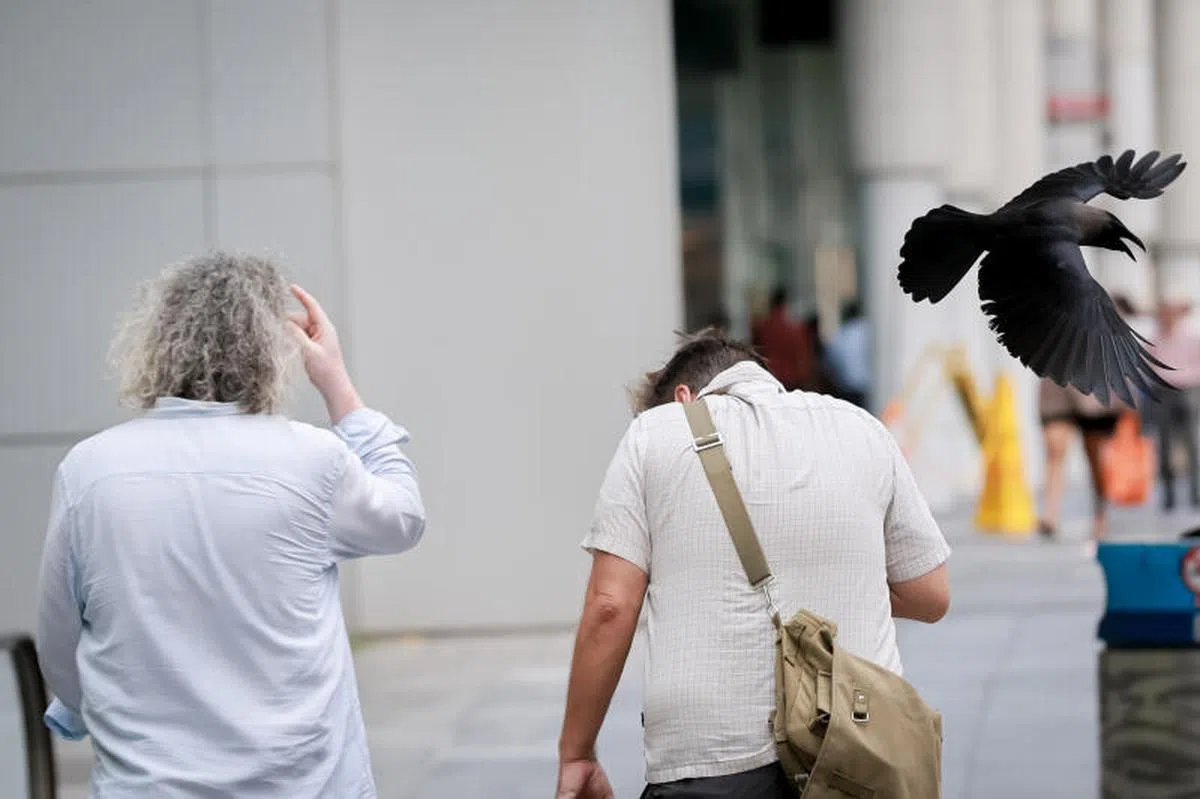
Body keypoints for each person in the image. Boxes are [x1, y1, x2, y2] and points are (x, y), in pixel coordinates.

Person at [35, 253, 426, 797]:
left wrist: (78, 709)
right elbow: (404, 518)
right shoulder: (311, 460)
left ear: (152, 343)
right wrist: (338, 386)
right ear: (273, 351)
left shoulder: (90, 469)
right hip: (300, 784)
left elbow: (58, 636)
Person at [555, 328, 951, 799]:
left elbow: (609, 606)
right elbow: (930, 594)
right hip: (859, 755)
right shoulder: (861, 428)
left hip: (711, 763)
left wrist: (576, 753)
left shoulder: (654, 433)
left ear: (683, 398)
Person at [1149, 300, 1200, 511]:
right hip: (1163, 393)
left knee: (1192, 443)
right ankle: (1168, 496)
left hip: (1188, 391)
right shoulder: (1154, 340)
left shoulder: (1190, 338)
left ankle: (1195, 494)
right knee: (1164, 444)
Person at [751, 286, 817, 391]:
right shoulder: (797, 328)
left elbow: (756, 354)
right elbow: (805, 360)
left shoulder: (761, 326)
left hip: (769, 380)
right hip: (793, 382)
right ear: (786, 302)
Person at [825, 299, 870, 408]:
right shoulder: (866, 329)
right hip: (865, 386)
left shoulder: (840, 334)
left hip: (847, 388)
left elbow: (831, 361)